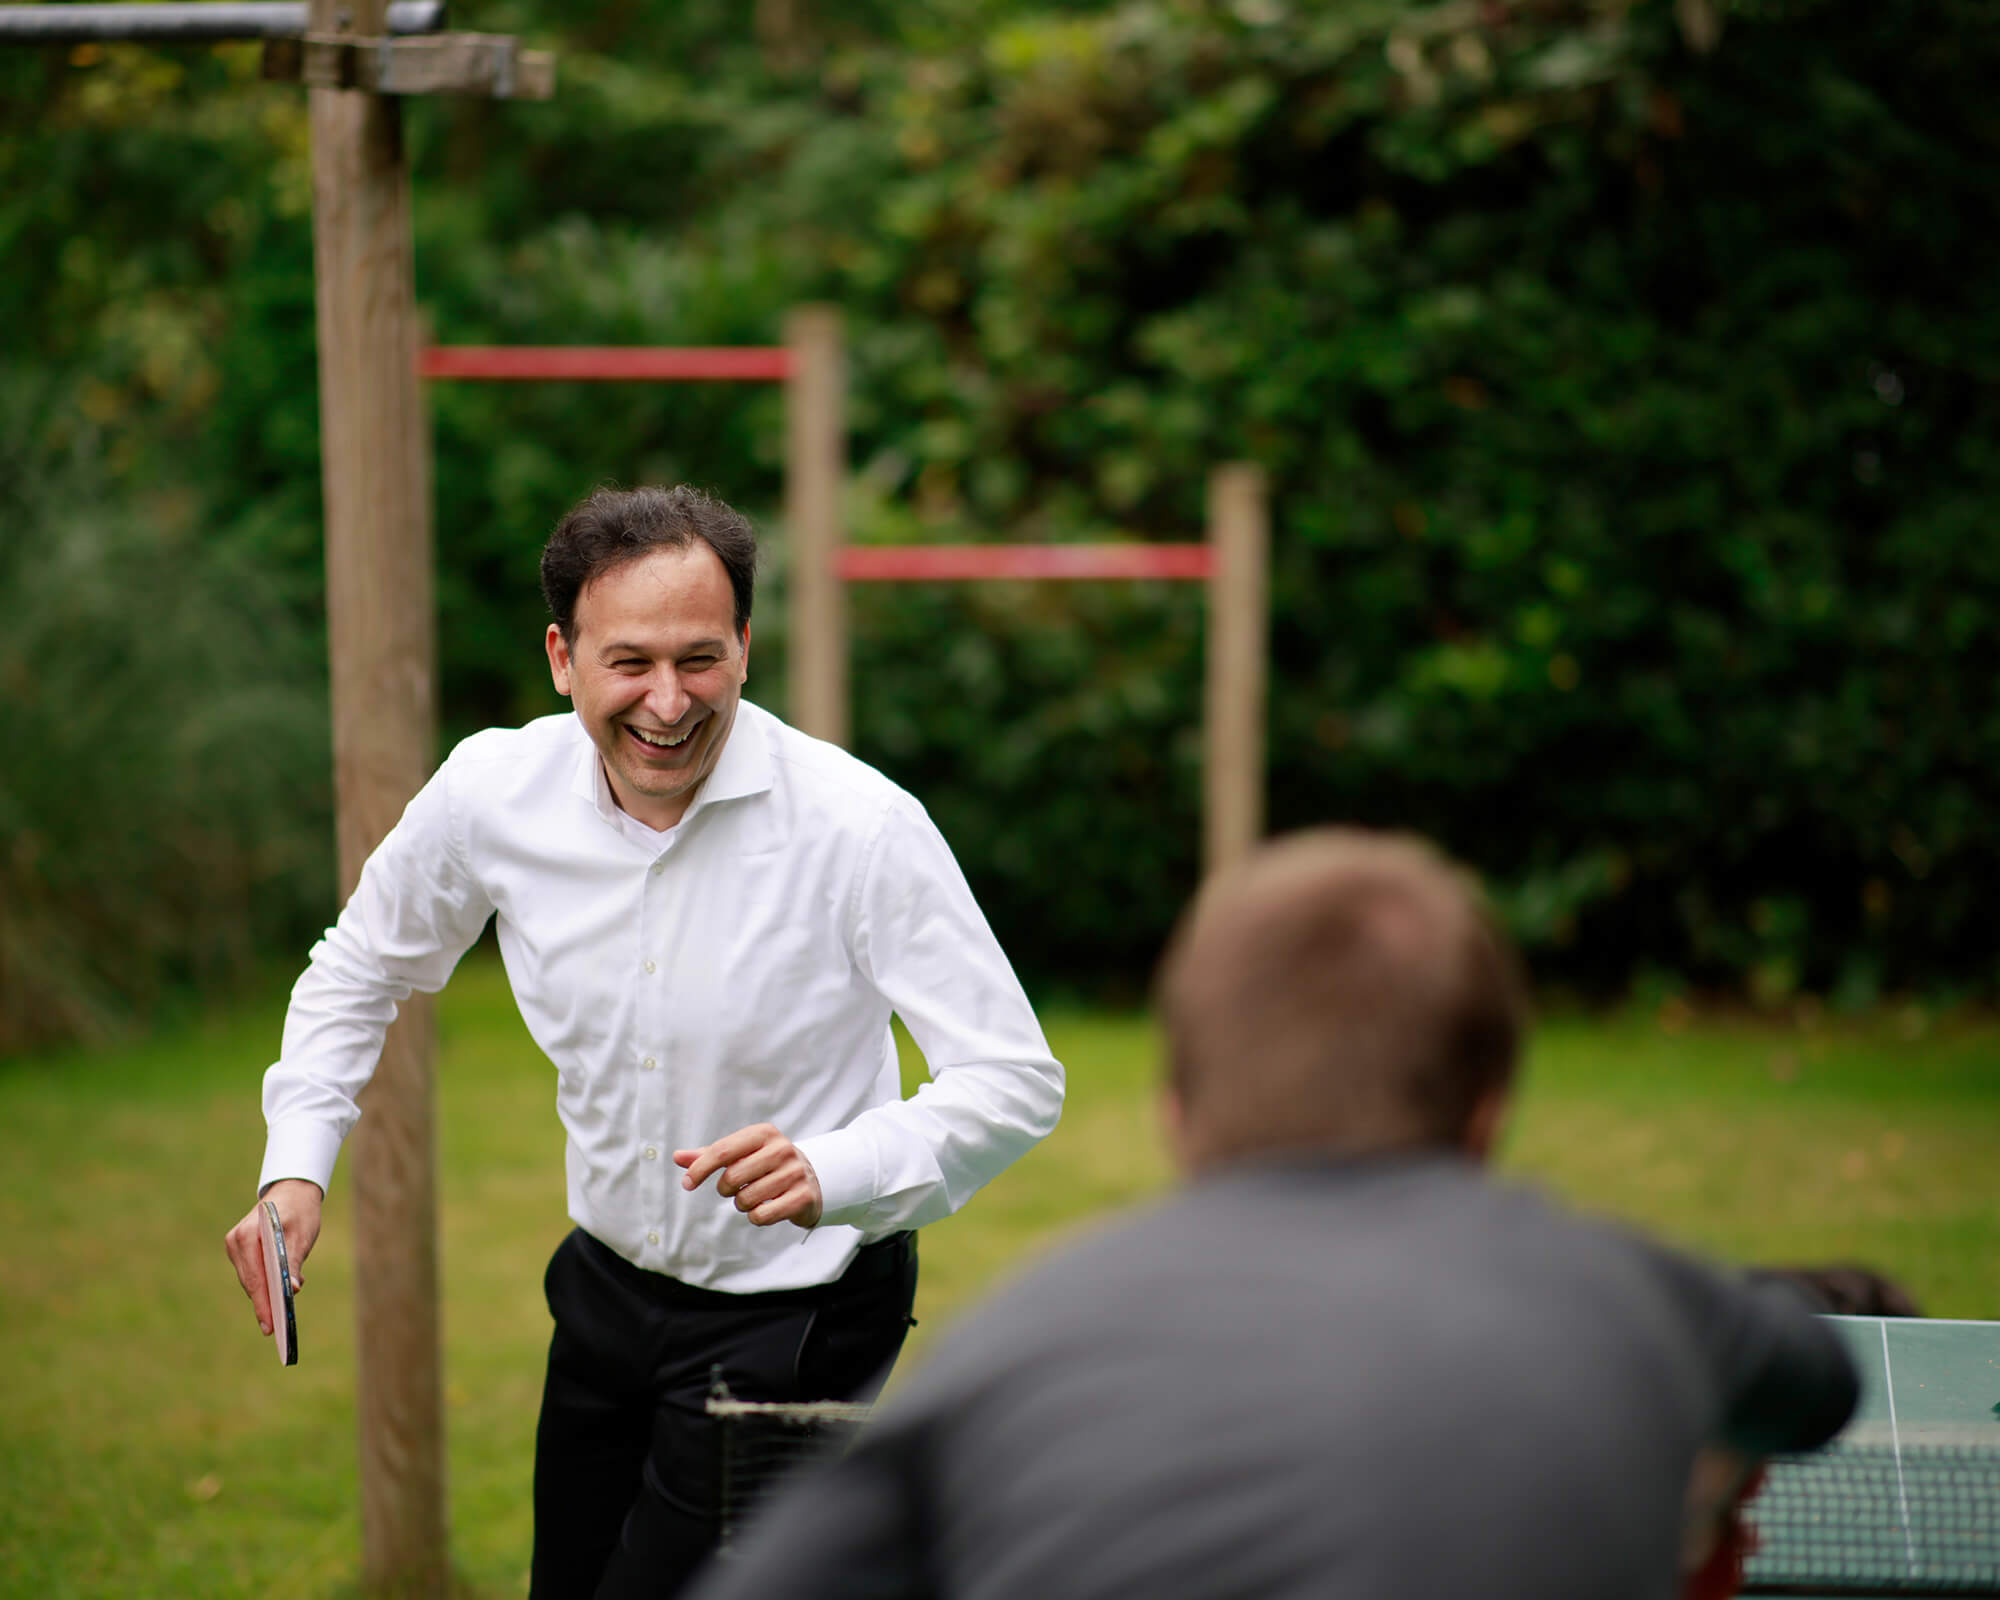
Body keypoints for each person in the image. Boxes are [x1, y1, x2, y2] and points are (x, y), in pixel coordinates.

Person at [222, 484, 1065, 1598]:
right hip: (602, 1290)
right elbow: (361, 966)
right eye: (630, 663)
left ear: (748, 648)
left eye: (699, 658)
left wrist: (835, 1165)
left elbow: (1012, 1078)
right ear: (562, 655)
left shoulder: (860, 828)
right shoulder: (490, 793)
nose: (667, 701)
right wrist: (296, 1165)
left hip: (797, 1315)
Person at [691, 828, 1859, 1600]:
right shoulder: (1624, 1287)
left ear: (1174, 1112)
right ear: (1489, 1111)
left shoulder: (1014, 1340)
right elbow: (1817, 1381)